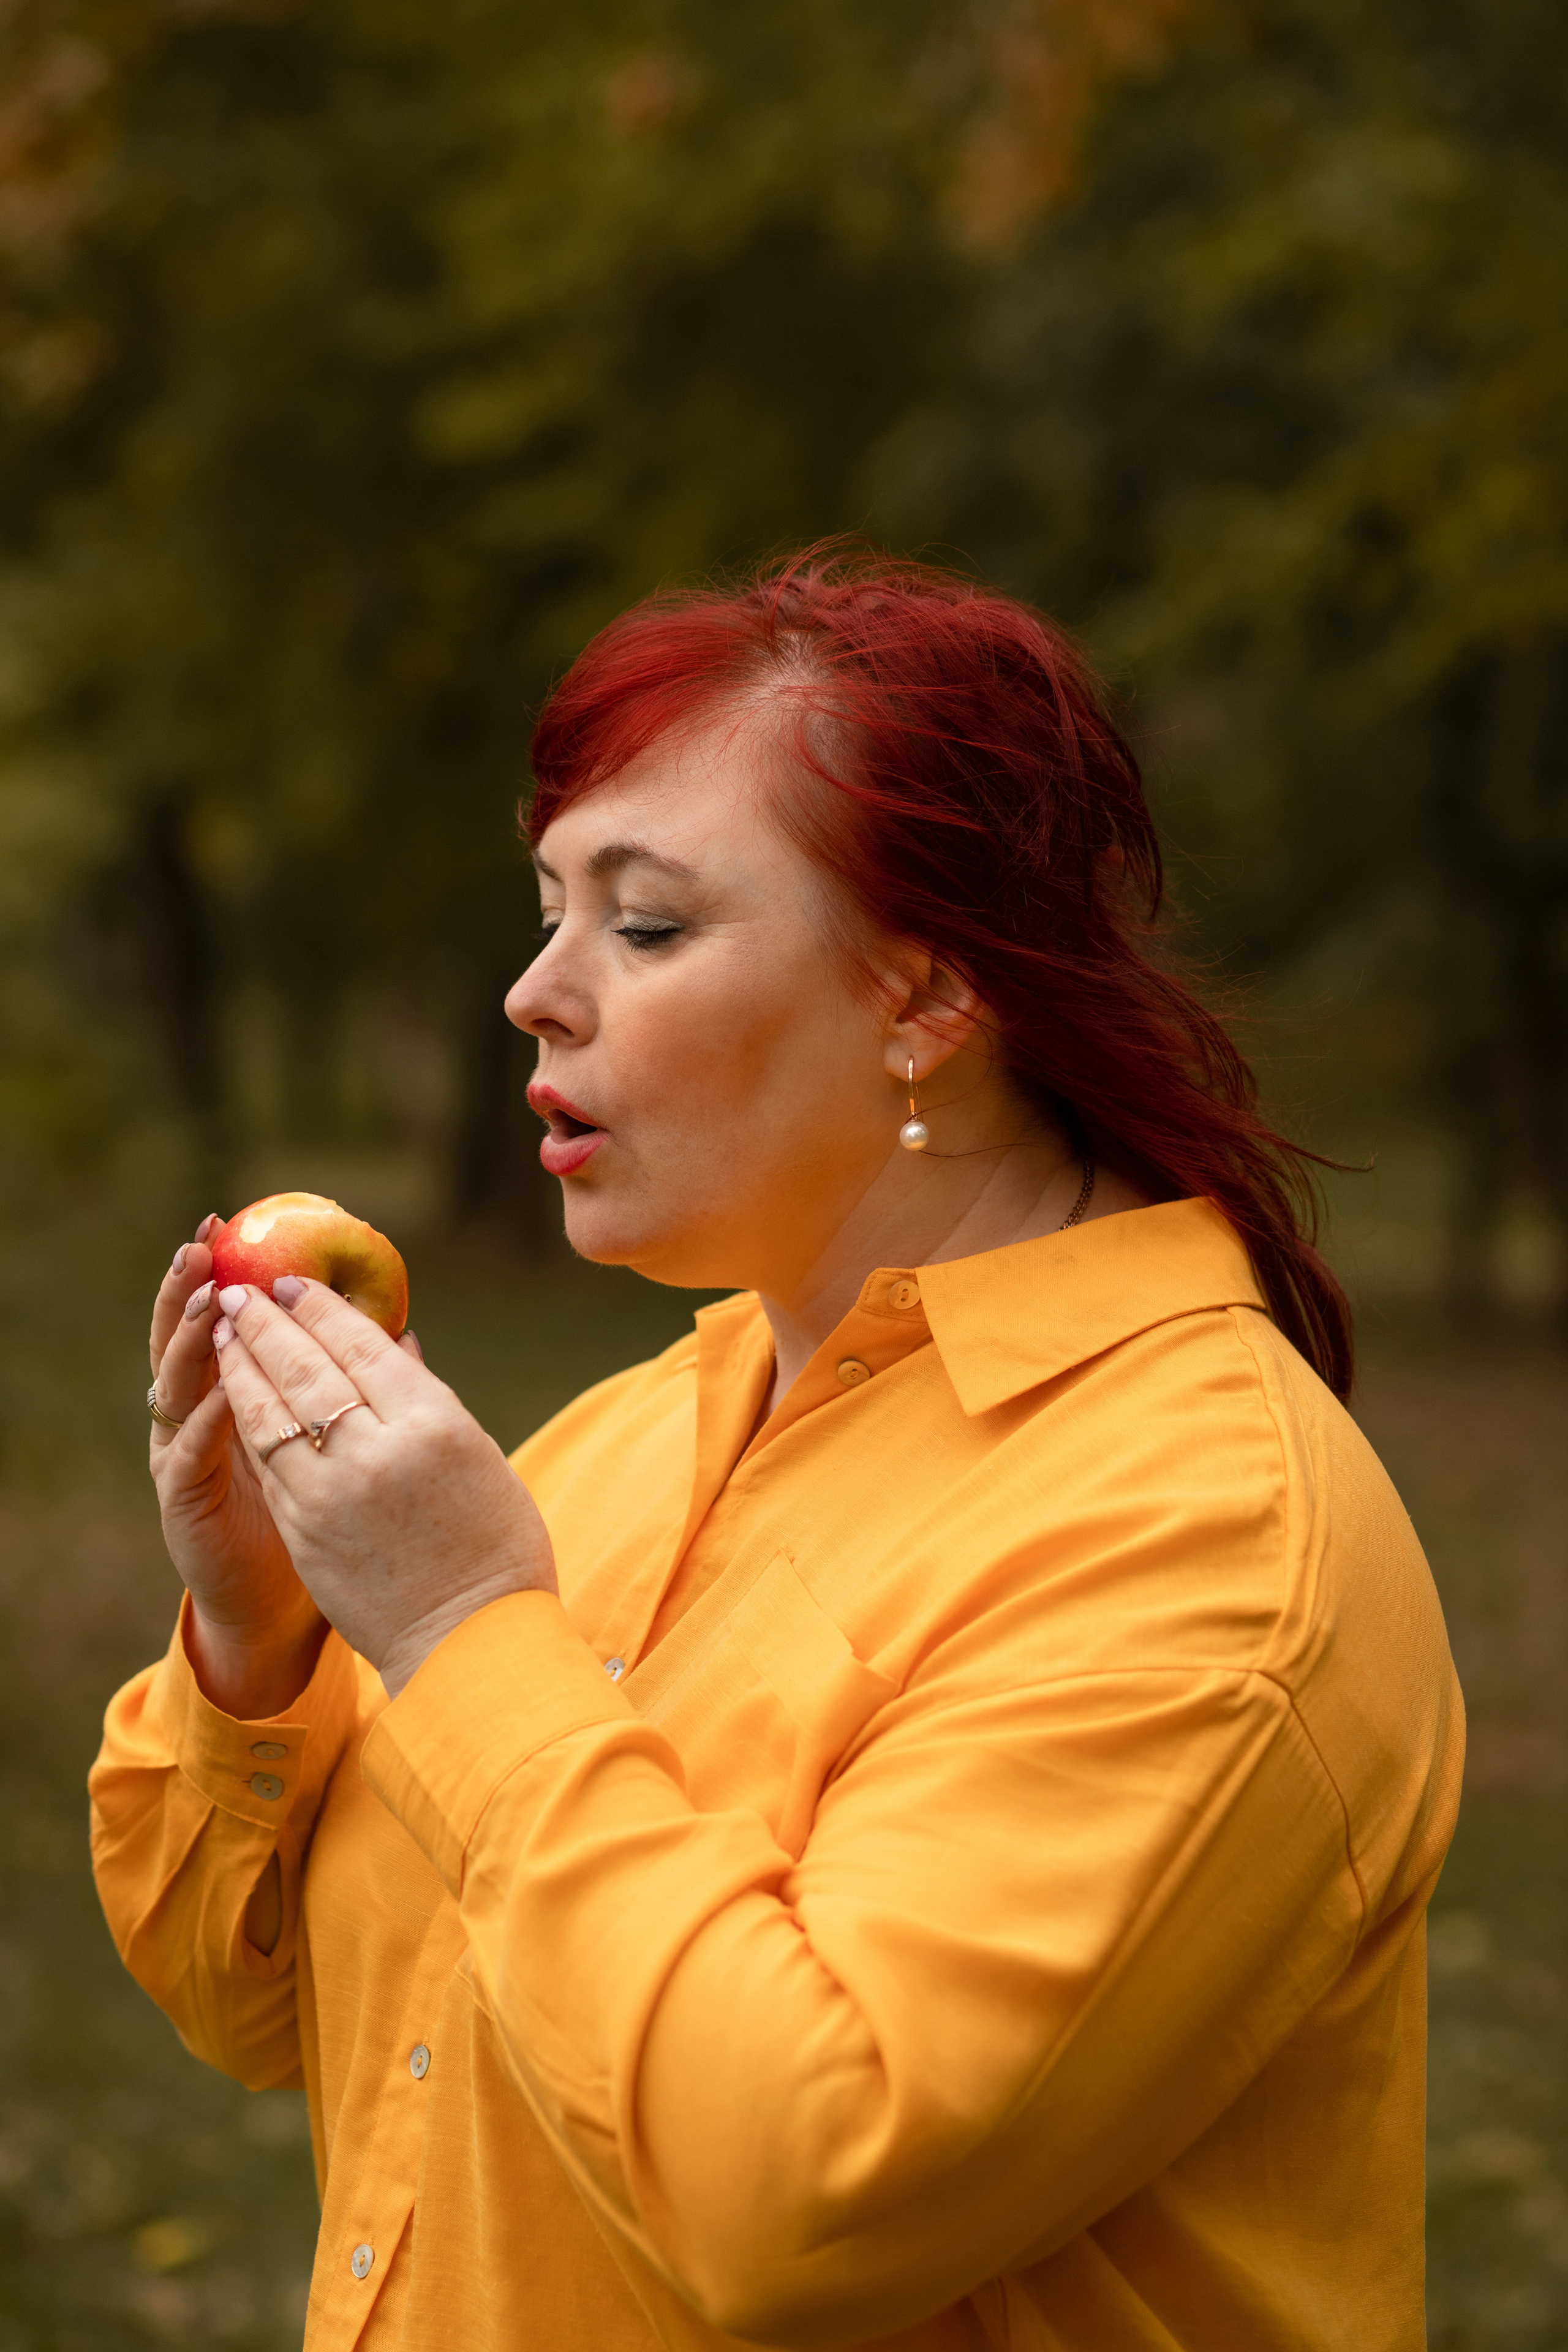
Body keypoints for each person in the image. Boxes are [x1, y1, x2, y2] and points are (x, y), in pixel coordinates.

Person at [92, 548, 1463, 2352]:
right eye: (548, 908)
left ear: (926, 999)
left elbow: (800, 2199)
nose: (535, 993)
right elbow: (261, 2007)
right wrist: (264, 1640)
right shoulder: (643, 1435)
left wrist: (458, 1636)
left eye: (643, 926)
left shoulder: (1204, 1533)